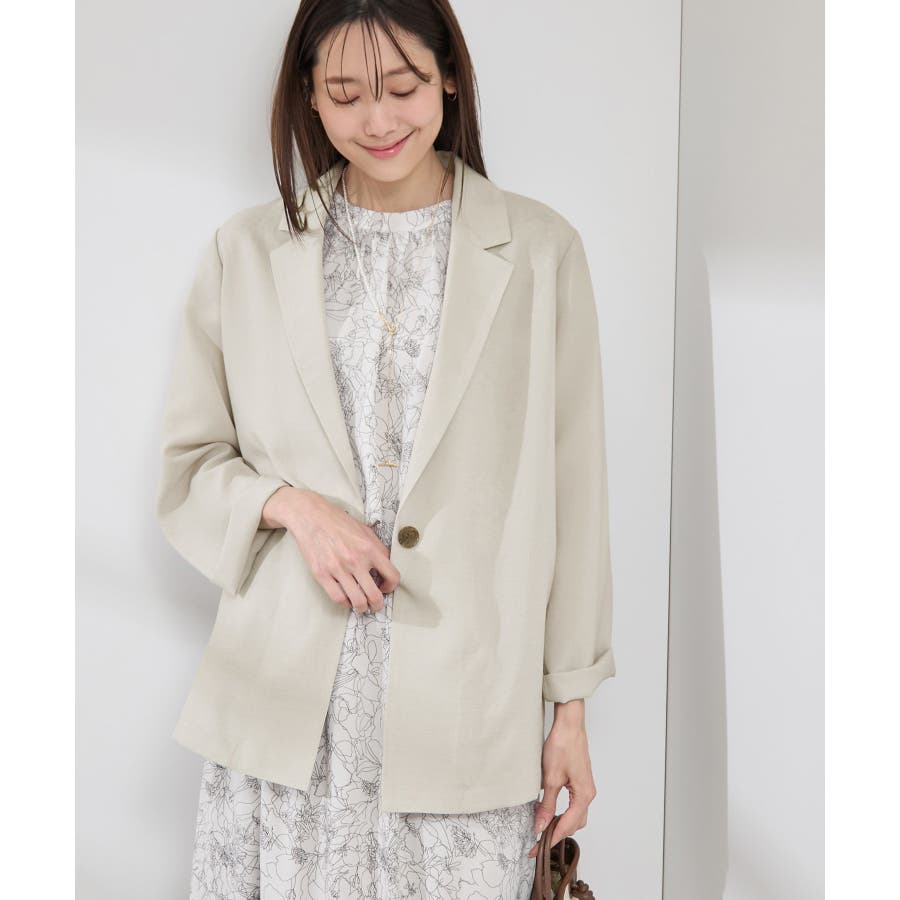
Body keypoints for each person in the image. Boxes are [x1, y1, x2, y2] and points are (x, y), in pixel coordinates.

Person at [156, 1, 616, 897]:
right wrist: (294, 509)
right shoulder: (246, 252)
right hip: (284, 729)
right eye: (345, 93)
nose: (378, 120)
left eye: (403, 87)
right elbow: (189, 467)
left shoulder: (541, 252)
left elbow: (578, 495)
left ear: (449, 78)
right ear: (308, 96)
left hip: (465, 722)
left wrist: (571, 712)